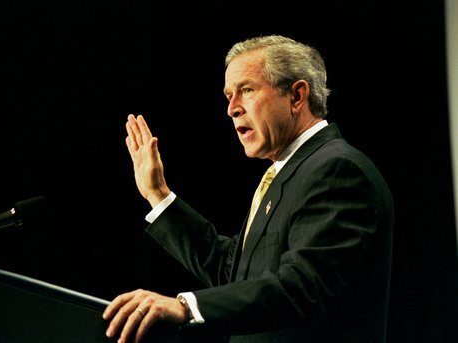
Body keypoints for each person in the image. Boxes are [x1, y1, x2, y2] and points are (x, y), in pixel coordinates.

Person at [103, 35, 394, 343]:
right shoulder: (287, 174)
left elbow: (302, 285)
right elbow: (234, 272)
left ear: (297, 96)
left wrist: (185, 306)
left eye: (246, 90)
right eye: (229, 95)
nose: (232, 109)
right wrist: (158, 195)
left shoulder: (338, 169)